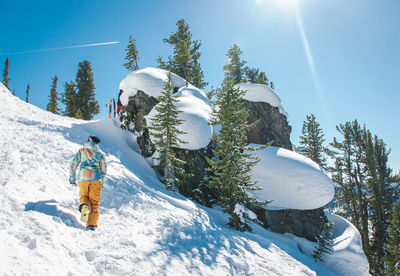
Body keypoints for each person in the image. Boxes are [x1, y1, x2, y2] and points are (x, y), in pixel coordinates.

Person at [69, 136, 107, 230]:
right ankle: (91, 224)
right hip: (96, 179)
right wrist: (102, 181)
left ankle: (85, 205)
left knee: (84, 196)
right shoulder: (100, 154)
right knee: (94, 202)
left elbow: (73, 164)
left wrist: (72, 179)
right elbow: (103, 169)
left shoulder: (81, 151)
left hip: (83, 178)